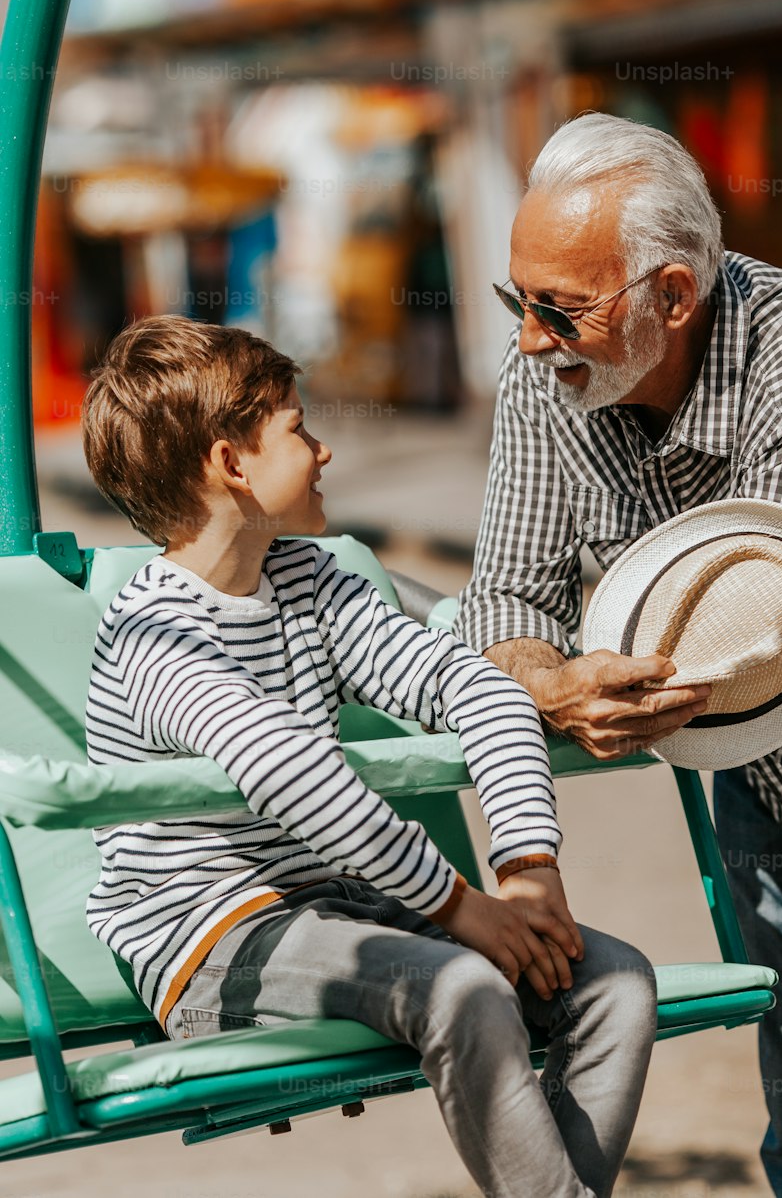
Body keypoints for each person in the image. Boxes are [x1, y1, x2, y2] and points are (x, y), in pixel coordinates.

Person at [454, 110, 782, 1198]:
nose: (525, 338)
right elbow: (503, 597)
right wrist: (552, 681)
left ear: (672, 295)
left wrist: (600, 660)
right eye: (518, 301)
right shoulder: (546, 378)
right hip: (775, 755)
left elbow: (761, 608)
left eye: (558, 309)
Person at [80, 313, 659, 1198]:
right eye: (297, 429)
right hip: (212, 939)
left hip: (344, 905)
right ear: (232, 465)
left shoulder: (312, 581)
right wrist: (460, 906)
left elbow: (477, 688)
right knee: (462, 988)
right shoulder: (156, 638)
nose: (323, 451)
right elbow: (288, 773)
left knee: (615, 981)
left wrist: (529, 867)